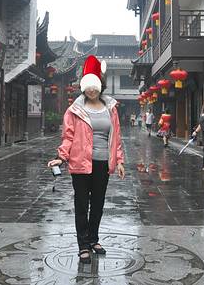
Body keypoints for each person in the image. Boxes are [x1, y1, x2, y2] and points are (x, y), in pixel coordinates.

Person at [47, 55, 126, 264]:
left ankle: (93, 239)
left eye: (95, 85)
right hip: (80, 163)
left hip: (103, 164)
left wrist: (119, 161)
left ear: (101, 85)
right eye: (88, 86)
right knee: (82, 205)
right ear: (83, 87)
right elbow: (68, 137)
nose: (91, 90)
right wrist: (61, 157)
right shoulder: (74, 110)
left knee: (98, 205)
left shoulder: (111, 108)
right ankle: (83, 245)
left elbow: (116, 137)